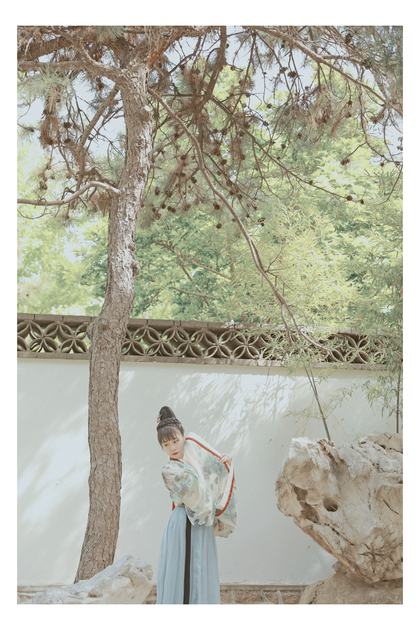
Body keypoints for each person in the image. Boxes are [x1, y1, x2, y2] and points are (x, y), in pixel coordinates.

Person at [156, 406, 236, 604]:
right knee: (182, 572)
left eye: (175, 440)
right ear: (162, 447)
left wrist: (222, 465)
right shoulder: (169, 470)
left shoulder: (197, 462)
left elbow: (210, 484)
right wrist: (208, 469)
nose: (173, 447)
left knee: (201, 570)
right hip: (183, 522)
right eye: (166, 444)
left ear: (184, 437)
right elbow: (195, 494)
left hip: (200, 524)